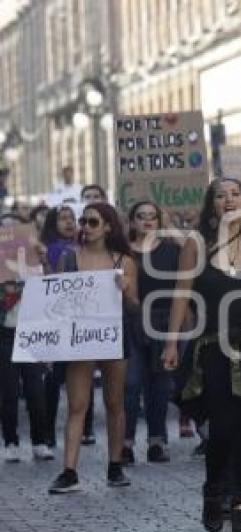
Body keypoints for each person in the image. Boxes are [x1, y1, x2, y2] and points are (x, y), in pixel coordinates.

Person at [161, 177, 241, 532]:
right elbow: (181, 295)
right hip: (215, 347)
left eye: (235, 194)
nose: (229, 200)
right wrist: (171, 343)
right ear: (211, 206)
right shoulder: (197, 245)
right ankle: (214, 490)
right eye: (221, 196)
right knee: (224, 428)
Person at [49, 202, 138, 494]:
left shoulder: (123, 261)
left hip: (113, 334)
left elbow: (134, 305)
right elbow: (55, 300)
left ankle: (115, 464)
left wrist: (125, 289)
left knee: (114, 403)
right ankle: (69, 470)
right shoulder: (69, 258)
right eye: (82, 221)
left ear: (108, 227)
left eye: (92, 222)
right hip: (80, 337)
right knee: (77, 405)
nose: (85, 227)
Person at [121, 201, 182, 464]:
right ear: (132, 221)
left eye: (152, 217)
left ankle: (157, 441)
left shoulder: (172, 250)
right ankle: (125, 443)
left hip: (164, 323)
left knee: (159, 386)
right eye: (141, 216)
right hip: (131, 322)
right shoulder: (123, 253)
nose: (147, 221)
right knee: (131, 384)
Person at [39, 206, 96, 448]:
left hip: (82, 322)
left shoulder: (87, 248)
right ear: (53, 223)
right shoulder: (47, 251)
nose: (69, 222)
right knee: (52, 382)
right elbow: (50, 285)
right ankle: (48, 432)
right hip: (58, 322)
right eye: (62, 218)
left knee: (85, 377)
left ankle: (87, 429)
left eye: (72, 218)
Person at [0, 216, 51, 463]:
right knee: (8, 392)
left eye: (14, 227)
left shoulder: (36, 260)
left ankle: (39, 441)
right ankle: (10, 441)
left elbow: (54, 288)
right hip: (5, 335)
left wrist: (44, 259)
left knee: (36, 391)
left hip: (32, 333)